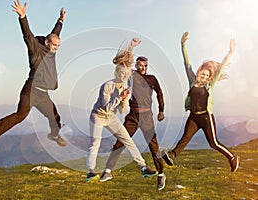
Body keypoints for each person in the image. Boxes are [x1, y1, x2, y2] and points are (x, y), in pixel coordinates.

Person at [0, 0, 67, 151]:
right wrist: (22, 17)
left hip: (42, 94)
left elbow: (56, 32)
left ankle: (54, 135)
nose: (56, 48)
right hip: (30, 91)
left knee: (54, 116)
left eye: (58, 46)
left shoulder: (51, 46)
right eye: (54, 45)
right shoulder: (36, 49)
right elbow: (27, 35)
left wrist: (60, 20)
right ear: (46, 42)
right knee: (20, 115)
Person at [162, 32, 240, 173]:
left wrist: (230, 52)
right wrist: (183, 45)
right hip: (193, 116)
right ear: (198, 72)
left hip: (205, 117)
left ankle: (232, 157)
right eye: (202, 73)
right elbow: (187, 63)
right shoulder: (192, 81)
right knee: (185, 138)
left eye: (206, 75)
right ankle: (172, 155)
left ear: (209, 77)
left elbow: (221, 67)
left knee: (213, 143)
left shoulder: (209, 85)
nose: (203, 76)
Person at [86, 38, 157, 183]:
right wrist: (120, 98)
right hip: (98, 116)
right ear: (116, 72)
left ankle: (143, 167)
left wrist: (125, 99)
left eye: (126, 74)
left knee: (128, 140)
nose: (124, 76)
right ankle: (90, 171)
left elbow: (122, 110)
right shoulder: (107, 86)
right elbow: (106, 108)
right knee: (95, 142)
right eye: (121, 73)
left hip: (111, 117)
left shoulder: (124, 87)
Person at [99, 56, 167, 190]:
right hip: (133, 116)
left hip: (146, 116)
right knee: (120, 141)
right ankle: (107, 171)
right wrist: (131, 47)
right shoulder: (132, 75)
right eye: (140, 65)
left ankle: (161, 174)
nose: (143, 68)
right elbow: (122, 64)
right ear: (136, 65)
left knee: (153, 144)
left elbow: (159, 93)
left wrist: (161, 110)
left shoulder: (152, 79)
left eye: (145, 66)